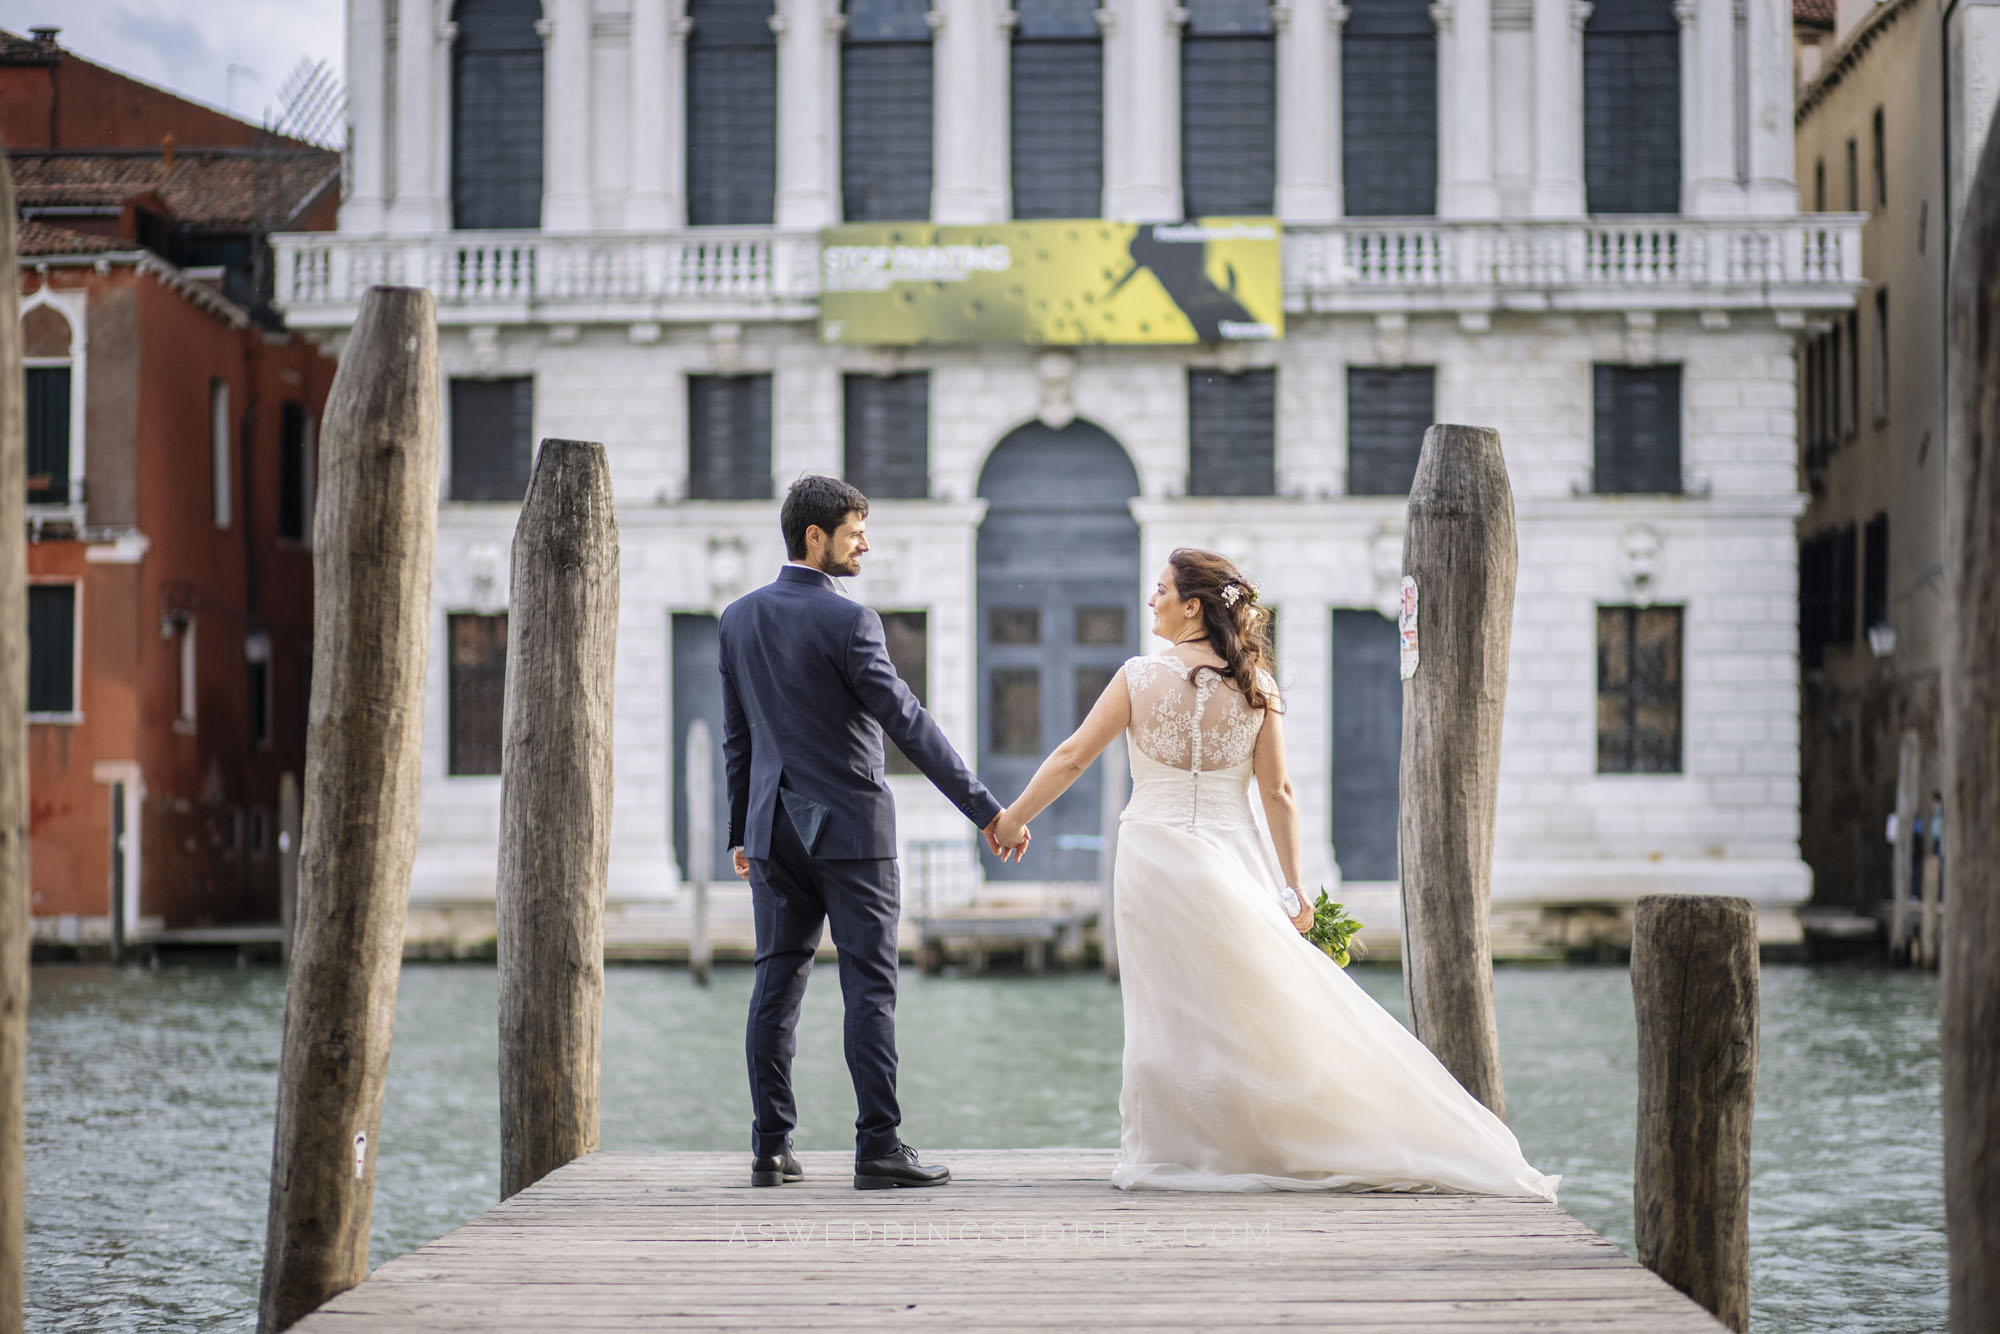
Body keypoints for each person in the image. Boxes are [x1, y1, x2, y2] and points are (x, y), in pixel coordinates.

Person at [992, 547, 1560, 1199]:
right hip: (1231, 856)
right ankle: (1254, 1137)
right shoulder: (1257, 683)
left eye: (1160, 591)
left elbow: (1071, 757)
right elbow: (1279, 791)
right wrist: (1293, 889)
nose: (1152, 601)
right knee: (1248, 1001)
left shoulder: (1137, 677)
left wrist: (1012, 818)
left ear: (1192, 606)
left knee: (1168, 1006)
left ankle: (1174, 1149)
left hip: (1152, 854)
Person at [721, 475, 1030, 1192]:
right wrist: (987, 810)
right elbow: (908, 724)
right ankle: (878, 1148)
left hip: (771, 830)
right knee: (870, 989)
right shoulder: (851, 622)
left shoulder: (736, 619)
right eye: (856, 531)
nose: (867, 543)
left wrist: (741, 828)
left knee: (775, 984)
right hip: (852, 833)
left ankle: (771, 1146)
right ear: (815, 537)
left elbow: (738, 740)